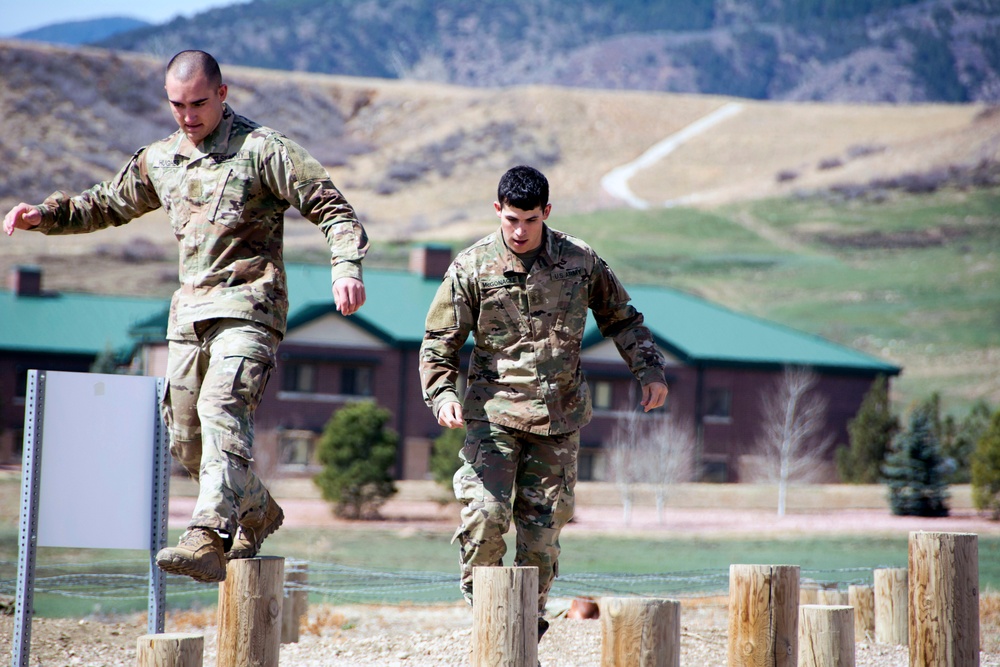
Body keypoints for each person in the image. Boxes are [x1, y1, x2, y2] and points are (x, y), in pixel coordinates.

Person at [3, 50, 369, 583]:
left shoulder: (263, 150)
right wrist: (45, 215)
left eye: (199, 103)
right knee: (187, 439)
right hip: (189, 317)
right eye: (177, 105)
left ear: (222, 94)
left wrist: (346, 266)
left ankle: (205, 536)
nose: (189, 115)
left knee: (223, 407)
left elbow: (331, 206)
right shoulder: (162, 159)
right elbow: (108, 203)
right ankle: (257, 509)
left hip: (249, 309)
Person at [419, 165, 668, 636]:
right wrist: (442, 395)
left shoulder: (580, 261)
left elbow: (622, 319)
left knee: (542, 538)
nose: (519, 230)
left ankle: (527, 619)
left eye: (530, 220)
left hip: (558, 420)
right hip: (493, 417)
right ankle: (489, 615)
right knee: (486, 519)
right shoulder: (471, 267)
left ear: (546, 213)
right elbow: (438, 343)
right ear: (498, 211)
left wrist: (649, 371)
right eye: (511, 219)